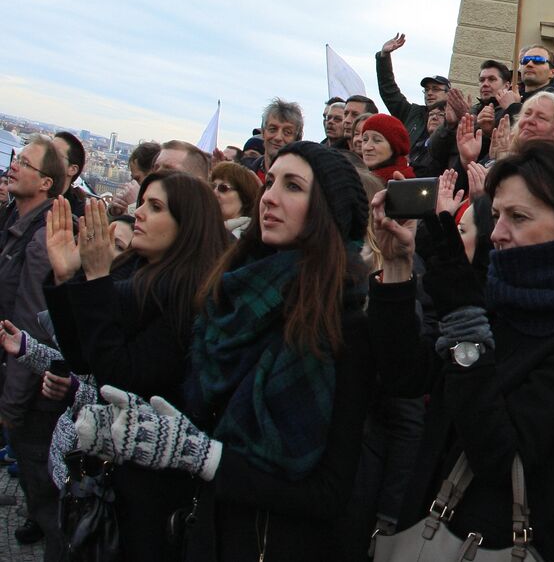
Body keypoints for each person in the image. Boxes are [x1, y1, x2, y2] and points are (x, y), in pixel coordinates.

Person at [75, 141, 375, 561]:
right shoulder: (231, 294)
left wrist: (204, 456)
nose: (269, 196)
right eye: (270, 182)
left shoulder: (345, 323)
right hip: (204, 532)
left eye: (293, 186)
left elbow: (328, 492)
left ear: (328, 208)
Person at [370, 145, 554, 561]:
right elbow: (406, 375)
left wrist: (463, 322)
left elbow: (499, 455)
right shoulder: (491, 292)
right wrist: (398, 265)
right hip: (429, 531)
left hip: (511, 544)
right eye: (496, 215)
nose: (497, 233)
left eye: (518, 217)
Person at [41, 172, 227, 560]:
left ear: (187, 226)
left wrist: (94, 277)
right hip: (117, 477)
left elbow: (118, 378)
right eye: (142, 202)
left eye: (155, 207)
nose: (138, 213)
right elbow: (83, 358)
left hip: (151, 494)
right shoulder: (134, 275)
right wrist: (65, 275)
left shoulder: (188, 299)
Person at [0, 138, 68, 554]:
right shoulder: (19, 221)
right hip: (20, 383)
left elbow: (31, 324)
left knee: (43, 493)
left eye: (24, 163)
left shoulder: (41, 238)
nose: (14, 166)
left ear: (45, 183)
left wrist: (11, 404)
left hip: (29, 394)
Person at [375, 33, 450, 147]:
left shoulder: (454, 120)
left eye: (435, 89)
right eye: (427, 89)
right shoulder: (412, 114)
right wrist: (384, 57)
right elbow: (389, 90)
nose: (429, 93)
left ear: (448, 94)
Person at [250, 98, 305, 175]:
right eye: (273, 129)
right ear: (263, 132)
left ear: (297, 139)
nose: (278, 137)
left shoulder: (306, 181)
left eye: (287, 132)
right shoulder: (245, 178)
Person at [359, 113, 416, 182]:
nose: (367, 147)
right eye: (365, 139)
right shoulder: (356, 177)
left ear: (394, 148)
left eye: (377, 140)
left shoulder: (405, 182)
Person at [211, 160, 261, 237]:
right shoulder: (204, 227)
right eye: (212, 187)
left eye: (223, 188)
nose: (214, 193)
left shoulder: (248, 236)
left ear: (244, 197)